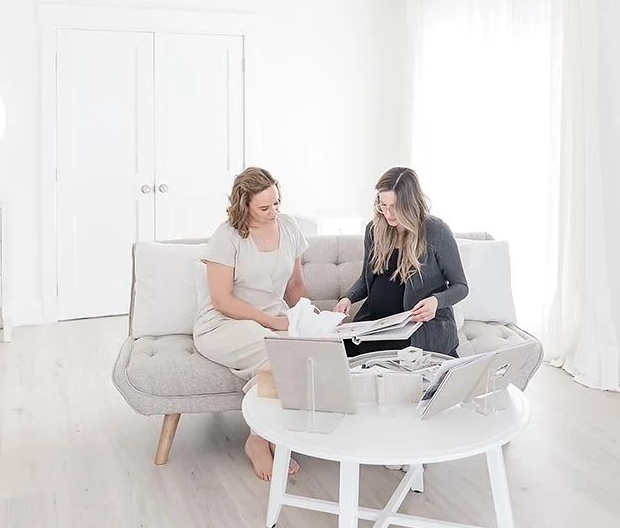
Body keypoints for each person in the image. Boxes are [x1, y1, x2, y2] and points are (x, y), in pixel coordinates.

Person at [193, 167, 308, 481]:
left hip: (273, 321)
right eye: (264, 207)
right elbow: (221, 300)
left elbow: (296, 287)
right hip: (223, 323)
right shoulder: (226, 236)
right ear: (244, 205)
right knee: (275, 349)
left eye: (276, 203)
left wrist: (307, 320)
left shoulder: (289, 227)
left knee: (300, 348)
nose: (273, 212)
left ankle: (273, 432)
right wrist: (271, 321)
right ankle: (259, 439)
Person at [334, 167, 468, 358]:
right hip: (378, 323)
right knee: (341, 351)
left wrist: (436, 301)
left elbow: (461, 286)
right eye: (383, 205)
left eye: (395, 207)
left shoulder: (435, 231)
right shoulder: (374, 230)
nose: (388, 214)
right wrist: (347, 298)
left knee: (389, 353)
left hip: (420, 326)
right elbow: (366, 279)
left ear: (411, 204)